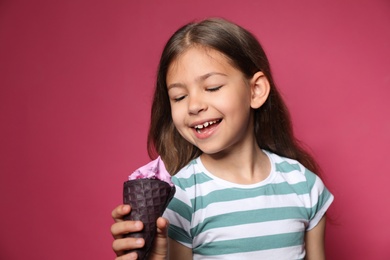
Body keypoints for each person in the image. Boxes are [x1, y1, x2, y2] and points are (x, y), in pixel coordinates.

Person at [111, 18, 334, 260]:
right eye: (179, 96)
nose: (194, 106)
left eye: (213, 87)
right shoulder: (180, 197)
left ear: (256, 90)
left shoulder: (305, 186)